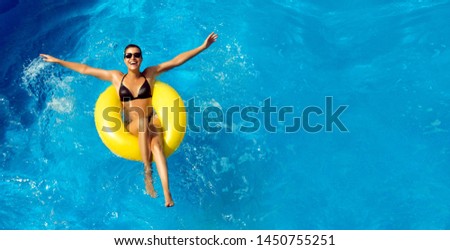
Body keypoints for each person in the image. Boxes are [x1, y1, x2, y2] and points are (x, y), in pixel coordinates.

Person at [40, 32, 218, 207]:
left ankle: (167, 193)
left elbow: (176, 61)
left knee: (156, 146)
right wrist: (58, 61)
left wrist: (203, 46)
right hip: (133, 125)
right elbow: (86, 69)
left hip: (152, 120)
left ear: (141, 59)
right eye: (129, 55)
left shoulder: (150, 74)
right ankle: (147, 173)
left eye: (137, 55)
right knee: (141, 123)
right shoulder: (116, 78)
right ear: (124, 59)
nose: (133, 58)